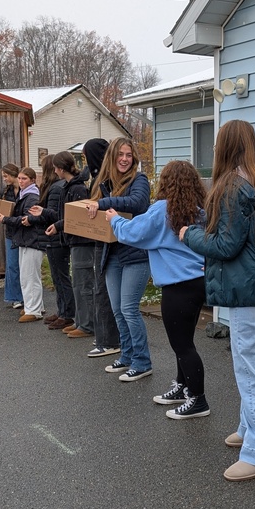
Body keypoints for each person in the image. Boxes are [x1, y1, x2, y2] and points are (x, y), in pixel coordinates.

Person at [180, 120, 255, 480]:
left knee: (250, 368)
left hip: (245, 288)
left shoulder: (231, 186)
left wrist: (189, 233)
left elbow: (225, 245)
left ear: (223, 146)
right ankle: (253, 429)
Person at [106, 159, 209, 417]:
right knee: (183, 342)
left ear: (166, 183)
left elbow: (132, 233)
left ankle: (198, 401)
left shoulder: (162, 210)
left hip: (177, 287)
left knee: (183, 345)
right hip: (197, 283)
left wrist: (115, 219)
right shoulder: (199, 210)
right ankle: (182, 386)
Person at [86, 137, 151, 381]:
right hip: (111, 254)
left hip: (135, 254)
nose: (125, 159)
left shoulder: (139, 180)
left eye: (129, 155)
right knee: (117, 310)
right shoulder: (105, 183)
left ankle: (143, 362)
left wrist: (102, 202)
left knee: (129, 309)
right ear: (112, 158)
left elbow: (137, 203)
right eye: (120, 155)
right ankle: (127, 355)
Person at [28, 151, 94, 339]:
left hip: (79, 240)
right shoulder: (68, 186)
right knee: (71, 281)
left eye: (56, 167)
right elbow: (64, 216)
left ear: (61, 168)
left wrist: (56, 224)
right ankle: (79, 320)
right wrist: (55, 222)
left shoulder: (77, 188)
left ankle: (81, 321)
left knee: (80, 284)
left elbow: (75, 217)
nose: (55, 171)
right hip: (69, 238)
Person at [0, 167, 45, 322]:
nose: (21, 182)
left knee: (29, 276)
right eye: (20, 178)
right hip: (25, 239)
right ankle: (34, 306)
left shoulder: (31, 196)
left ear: (33, 180)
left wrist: (5, 219)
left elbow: (27, 219)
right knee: (28, 276)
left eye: (24, 179)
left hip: (32, 239)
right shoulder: (25, 195)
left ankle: (33, 310)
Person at [82, 138, 120, 360]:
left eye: (87, 155)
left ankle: (109, 340)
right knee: (101, 288)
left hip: (107, 240)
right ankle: (104, 336)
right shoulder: (98, 177)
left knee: (103, 289)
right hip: (99, 239)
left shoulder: (105, 179)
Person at [33, 154, 75, 331]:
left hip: (57, 238)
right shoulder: (56, 187)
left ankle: (67, 313)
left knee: (61, 276)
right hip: (54, 237)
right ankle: (62, 310)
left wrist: (41, 212)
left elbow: (58, 215)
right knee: (57, 276)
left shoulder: (56, 188)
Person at [0, 162, 23, 309]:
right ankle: (14, 297)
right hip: (10, 231)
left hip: (24, 230)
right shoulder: (4, 191)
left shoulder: (26, 190)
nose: (5, 179)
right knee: (12, 265)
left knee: (24, 266)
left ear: (13, 175)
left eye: (6, 176)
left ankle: (25, 296)